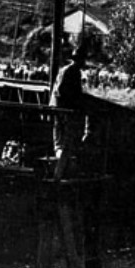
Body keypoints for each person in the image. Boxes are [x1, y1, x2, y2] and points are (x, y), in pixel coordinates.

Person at [50, 44, 92, 180]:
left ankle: (61, 171)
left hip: (61, 108)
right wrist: (75, 104)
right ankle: (58, 175)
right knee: (65, 142)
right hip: (64, 110)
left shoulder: (69, 70)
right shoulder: (71, 71)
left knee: (62, 142)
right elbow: (62, 91)